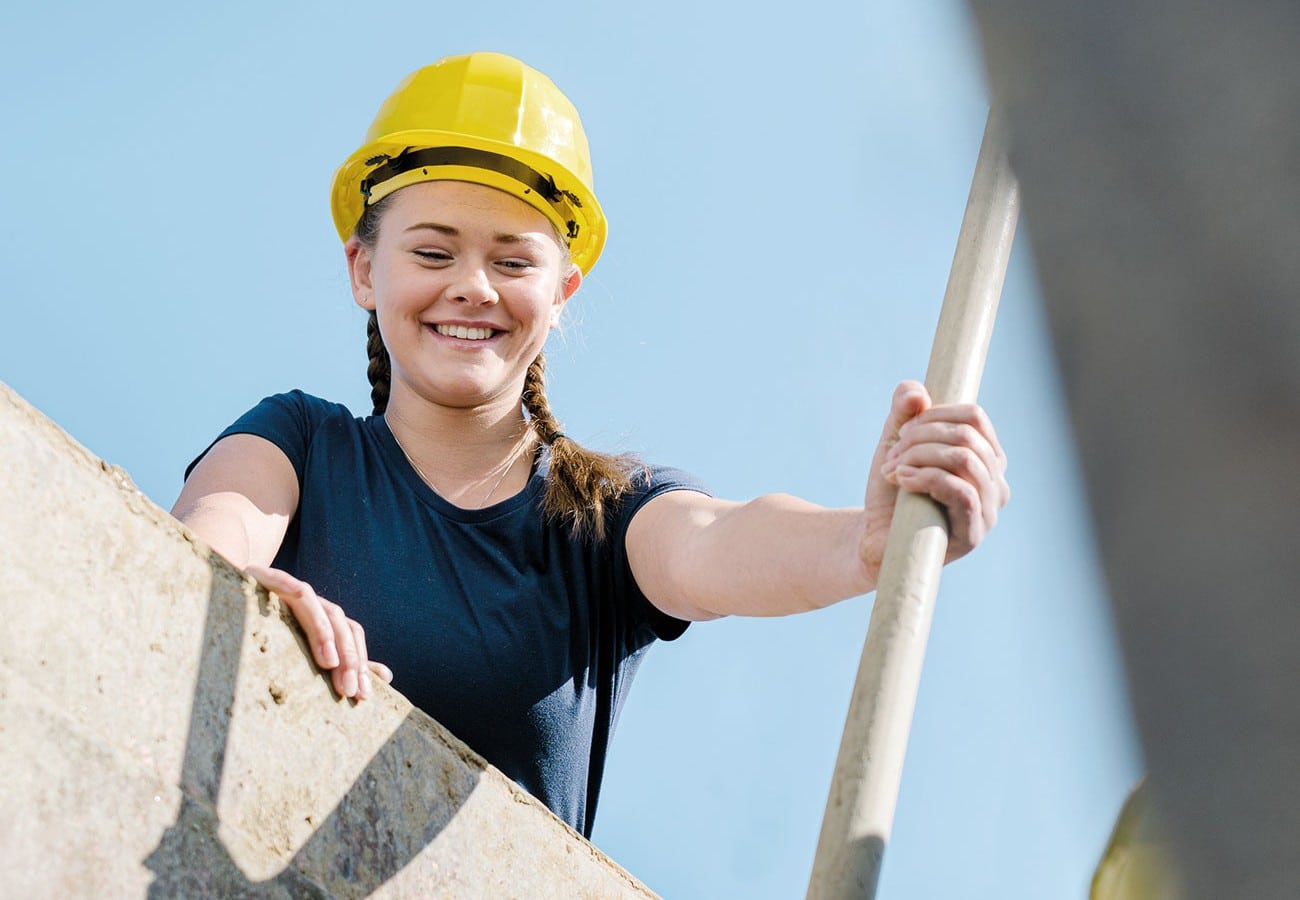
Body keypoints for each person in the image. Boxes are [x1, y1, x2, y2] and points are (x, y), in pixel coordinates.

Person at [171, 51, 1010, 839]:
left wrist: (860, 544)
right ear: (363, 269)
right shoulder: (299, 444)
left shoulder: (603, 515)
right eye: (433, 251)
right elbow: (202, 540)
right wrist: (241, 590)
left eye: (513, 261)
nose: (472, 285)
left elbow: (716, 539)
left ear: (562, 292)